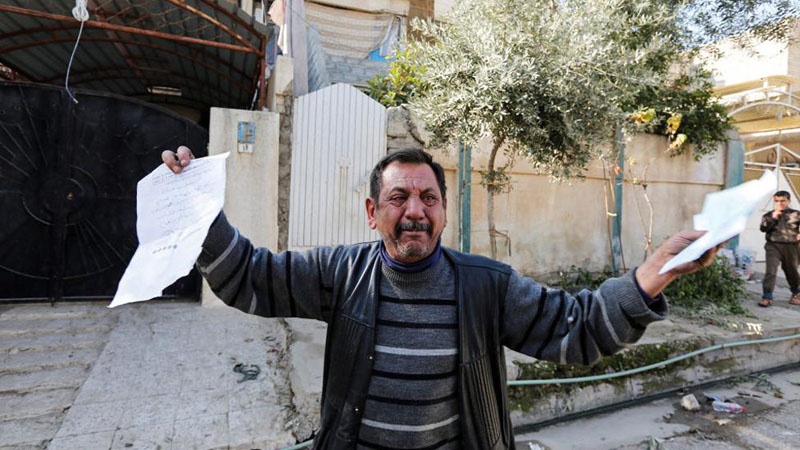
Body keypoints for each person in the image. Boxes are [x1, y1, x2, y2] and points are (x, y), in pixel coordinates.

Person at [162, 146, 717, 450]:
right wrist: (200, 210)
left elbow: (576, 329)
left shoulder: (487, 285)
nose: (415, 211)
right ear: (372, 212)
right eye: (398, 197)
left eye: (429, 198)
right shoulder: (339, 272)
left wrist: (651, 274)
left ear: (444, 212)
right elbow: (253, 277)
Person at [758, 190, 800, 307]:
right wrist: (773, 217)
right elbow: (763, 229)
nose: (779, 203)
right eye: (777, 201)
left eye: (783, 201)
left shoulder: (796, 214)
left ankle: (796, 292)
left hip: (791, 247)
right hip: (773, 246)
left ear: (789, 201)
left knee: (791, 270)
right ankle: (767, 296)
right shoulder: (768, 215)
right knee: (771, 271)